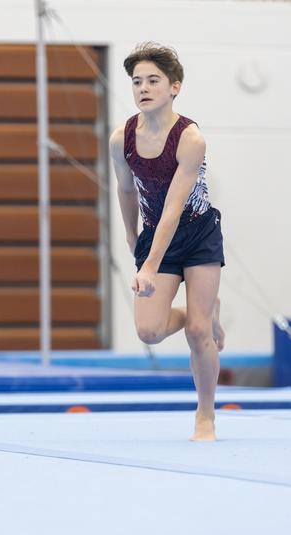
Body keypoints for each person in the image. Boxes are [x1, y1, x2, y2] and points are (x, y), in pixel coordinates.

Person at [109, 42, 225, 442]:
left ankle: (205, 414)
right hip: (154, 233)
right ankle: (205, 312)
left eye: (153, 80)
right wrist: (130, 237)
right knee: (150, 332)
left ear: (174, 87)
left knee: (196, 333)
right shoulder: (121, 137)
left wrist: (148, 265)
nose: (143, 88)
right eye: (137, 82)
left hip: (196, 234)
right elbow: (126, 191)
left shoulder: (190, 138)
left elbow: (174, 209)